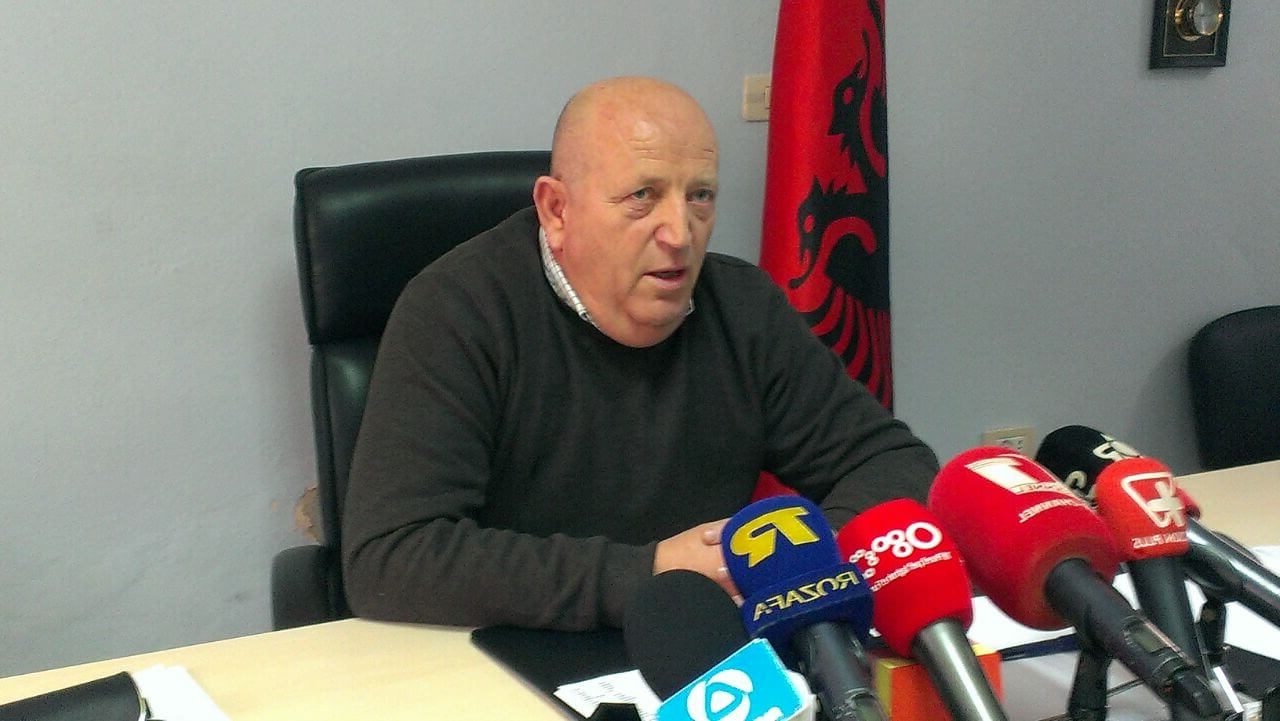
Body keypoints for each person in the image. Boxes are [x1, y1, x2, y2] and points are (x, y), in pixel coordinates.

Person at [341, 76, 938, 631]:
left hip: (703, 647)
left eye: (699, 197)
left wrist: (804, 562)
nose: (679, 234)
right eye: (642, 197)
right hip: (504, 652)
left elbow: (890, 461)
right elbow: (392, 557)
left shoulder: (742, 307)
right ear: (556, 210)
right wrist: (649, 574)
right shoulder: (459, 311)